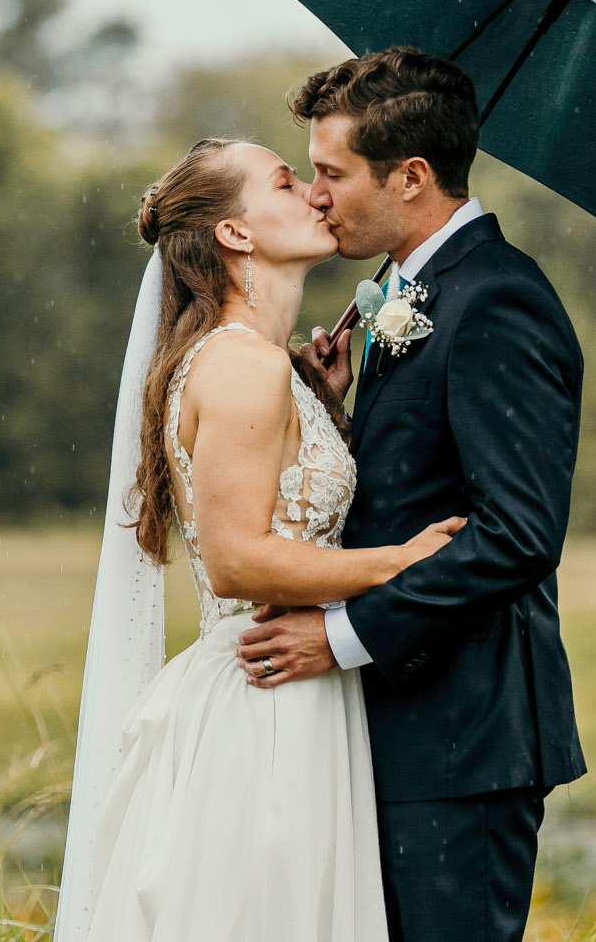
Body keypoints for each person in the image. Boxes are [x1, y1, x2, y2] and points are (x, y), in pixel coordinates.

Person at [64, 136, 466, 942]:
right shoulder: (242, 367)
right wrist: (399, 560)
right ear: (235, 234)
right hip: (265, 706)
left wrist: (322, 401)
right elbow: (239, 558)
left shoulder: (263, 365)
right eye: (287, 182)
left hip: (292, 689)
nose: (317, 195)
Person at [237, 47, 587, 942]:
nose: (315, 195)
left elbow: (516, 535)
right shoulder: (414, 293)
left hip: (462, 740)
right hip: (399, 728)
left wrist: (342, 636)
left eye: (331, 173)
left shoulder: (499, 300)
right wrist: (328, 409)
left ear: (414, 177)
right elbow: (409, 484)